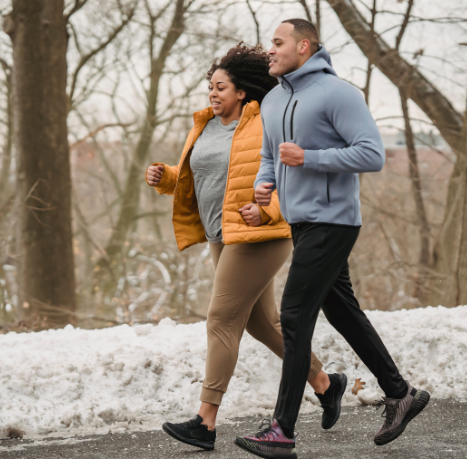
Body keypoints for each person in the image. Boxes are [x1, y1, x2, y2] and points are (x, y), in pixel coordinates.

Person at [234, 20, 430, 459]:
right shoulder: (274, 99)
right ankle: (400, 394)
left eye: (278, 43)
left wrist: (309, 158)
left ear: (304, 46)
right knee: (341, 310)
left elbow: (372, 154)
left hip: (333, 219)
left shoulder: (338, 93)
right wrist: (265, 183)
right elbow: (269, 155)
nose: (270, 50)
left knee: (294, 314)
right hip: (299, 221)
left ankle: (282, 430)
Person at [145, 43, 345, 452]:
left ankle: (205, 421)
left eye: (221, 87)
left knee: (220, 319)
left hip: (262, 235)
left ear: (241, 92)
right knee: (261, 324)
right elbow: (199, 175)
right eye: (210, 87)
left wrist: (267, 211)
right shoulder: (204, 125)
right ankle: (325, 383)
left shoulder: (264, 124)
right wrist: (166, 177)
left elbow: (290, 178)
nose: (213, 93)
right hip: (223, 235)